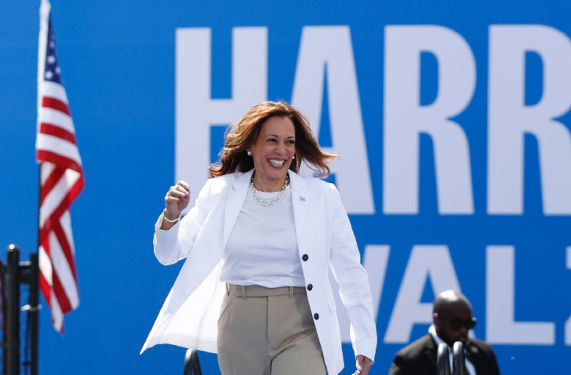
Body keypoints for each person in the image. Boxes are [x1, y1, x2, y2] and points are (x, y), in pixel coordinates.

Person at [140, 101, 376, 375]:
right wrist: (171, 216)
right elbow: (168, 254)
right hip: (239, 325)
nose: (282, 150)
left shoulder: (323, 197)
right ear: (251, 146)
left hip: (302, 326)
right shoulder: (220, 192)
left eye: (289, 142)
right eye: (272, 140)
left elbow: (351, 273)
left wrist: (364, 341)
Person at [388, 290, 500, 375]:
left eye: (468, 323)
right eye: (456, 323)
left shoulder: (484, 352)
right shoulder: (410, 360)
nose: (463, 329)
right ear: (437, 320)